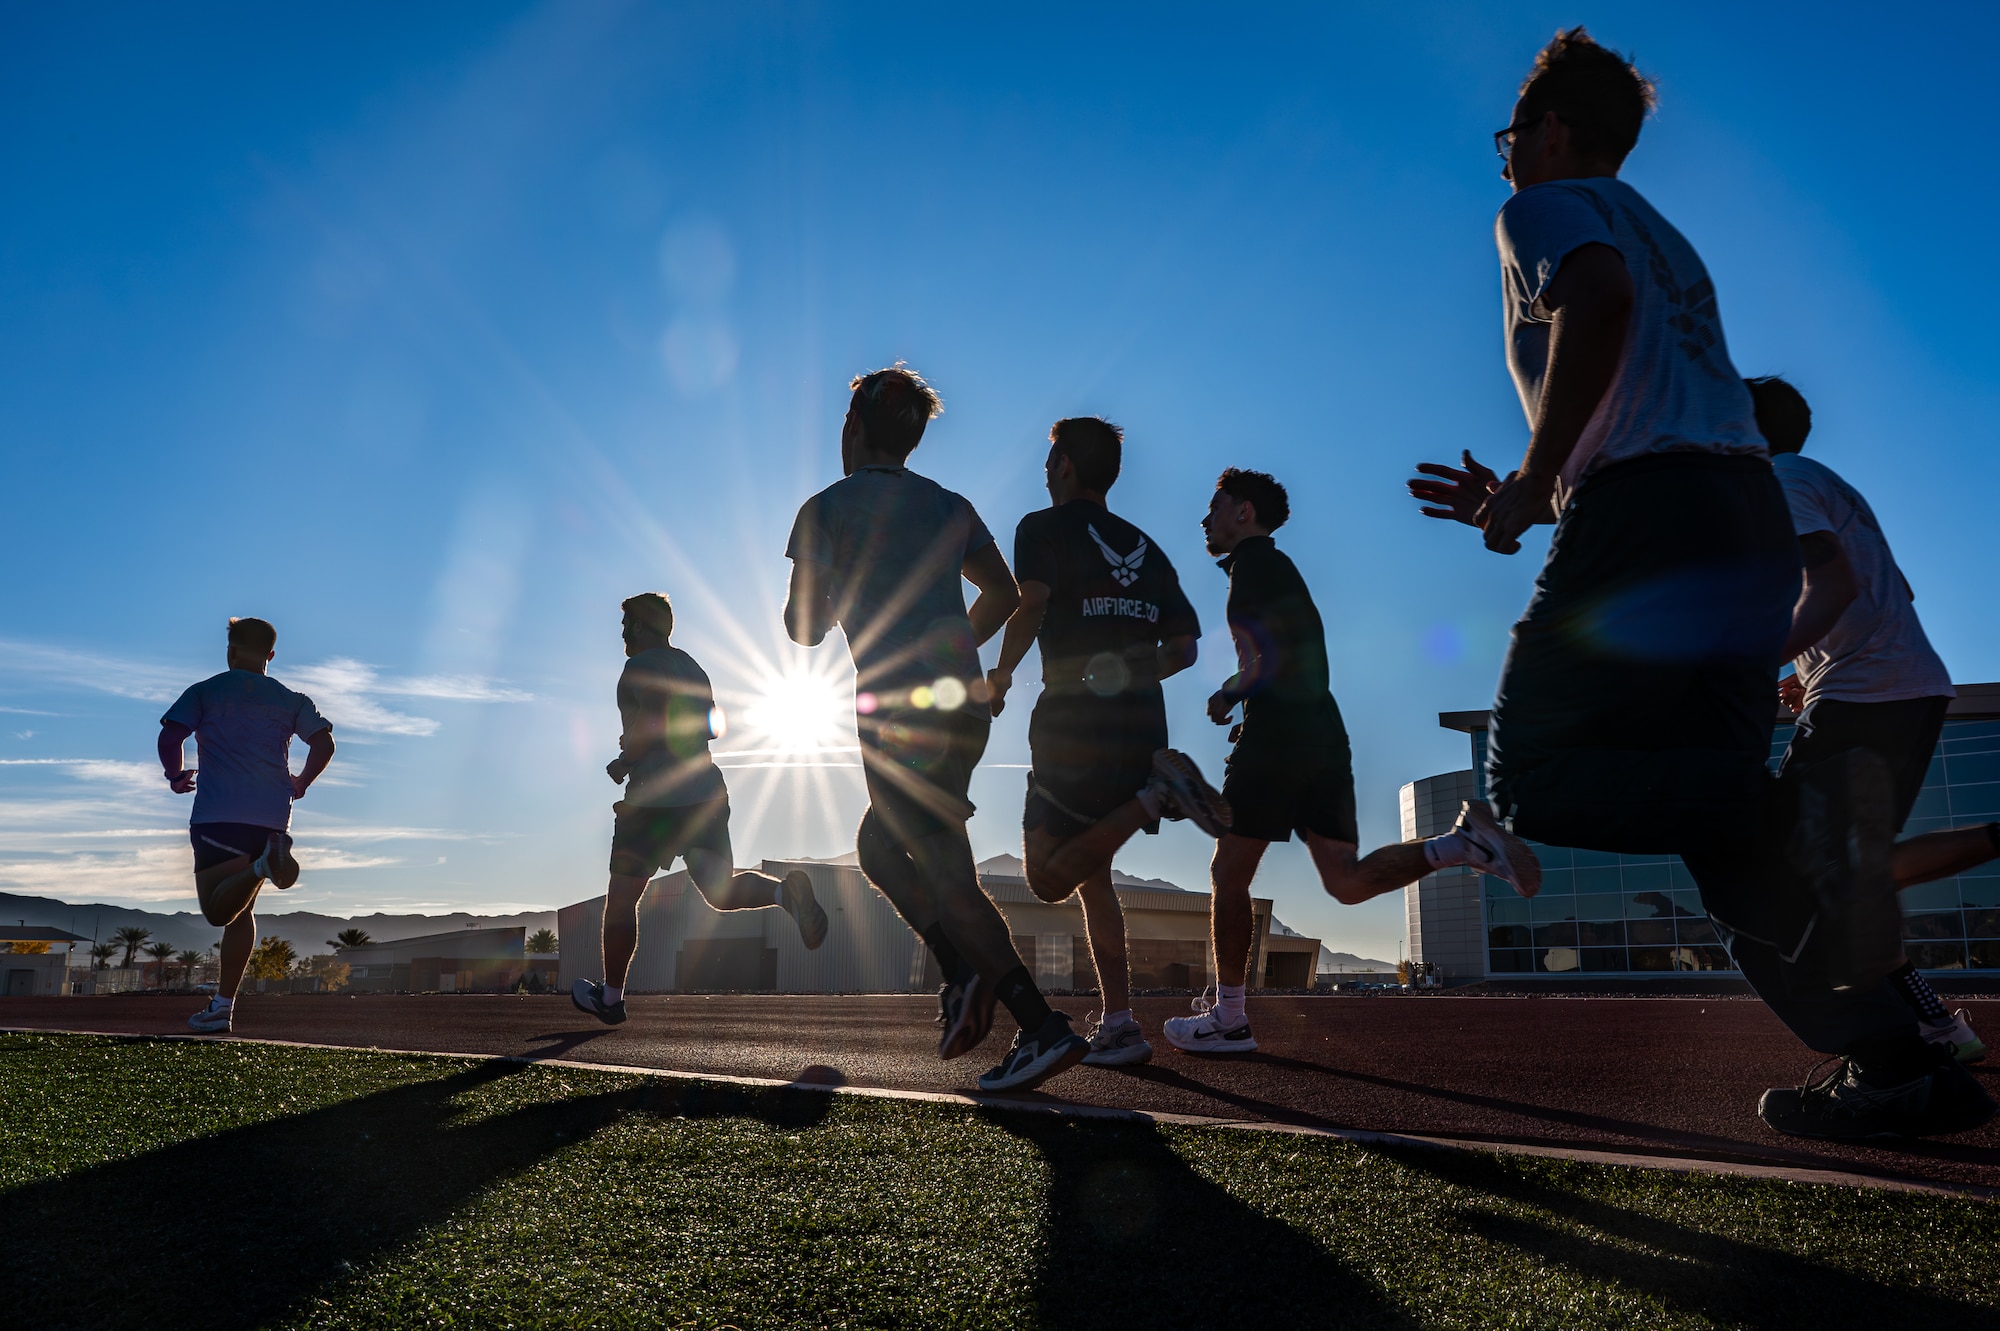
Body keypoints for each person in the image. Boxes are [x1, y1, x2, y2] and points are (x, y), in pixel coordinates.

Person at [1407, 28, 1991, 1139]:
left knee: (1526, 778)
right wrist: (1539, 491)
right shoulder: (1665, 235)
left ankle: (1781, 826)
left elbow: (1595, 300)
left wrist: (1535, 477)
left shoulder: (1542, 208)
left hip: (1654, 514)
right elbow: (1659, 407)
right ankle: (1898, 1062)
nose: (1504, 156)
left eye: (1509, 134)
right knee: (1727, 852)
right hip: (1735, 520)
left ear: (1551, 130)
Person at [785, 365, 1087, 1092]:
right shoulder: (950, 504)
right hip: (960, 704)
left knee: (947, 872)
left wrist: (833, 595)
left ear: (853, 427)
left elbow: (804, 630)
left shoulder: (825, 509)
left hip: (896, 713)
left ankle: (1037, 1023)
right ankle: (962, 973)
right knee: (879, 845)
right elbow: (1005, 594)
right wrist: (950, 650)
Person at [1161, 469, 1536, 1055]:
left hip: (1278, 739)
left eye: (1215, 506)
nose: (1204, 519)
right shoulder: (1268, 569)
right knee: (1346, 882)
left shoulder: (1257, 566)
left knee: (1228, 874)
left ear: (1244, 512)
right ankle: (1459, 845)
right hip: (1319, 736)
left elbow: (1282, 653)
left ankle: (1229, 1017)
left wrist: (1230, 692)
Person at [1751, 375, 1998, 1063]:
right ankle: (1934, 1024)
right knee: (1853, 873)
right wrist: (1808, 669)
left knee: (1798, 868)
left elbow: (1834, 586)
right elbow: (1896, 589)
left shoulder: (1780, 479)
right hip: (1898, 687)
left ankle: (1907, 1038)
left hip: (1866, 693)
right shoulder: (1822, 483)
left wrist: (1754, 664)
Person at [987, 417, 1231, 1067]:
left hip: (1072, 725)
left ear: (1064, 465)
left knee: (1047, 878)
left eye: (1049, 461)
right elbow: (1184, 648)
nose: (1045, 472)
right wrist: (1127, 673)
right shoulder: (1145, 546)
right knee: (1094, 876)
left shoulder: (1041, 528)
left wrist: (1001, 673)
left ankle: (1157, 795)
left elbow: (1032, 604)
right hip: (1143, 726)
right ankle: (1120, 1023)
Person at [571, 593, 830, 1025]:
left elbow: (657, 716)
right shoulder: (692, 667)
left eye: (626, 624)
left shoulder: (639, 666)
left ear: (641, 626)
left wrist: (628, 757)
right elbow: (712, 725)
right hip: (705, 794)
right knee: (719, 890)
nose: (622, 632)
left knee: (622, 902)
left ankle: (611, 999)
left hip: (654, 801)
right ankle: (785, 893)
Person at [158, 617, 336, 1034]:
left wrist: (176, 775)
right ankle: (222, 1007)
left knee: (218, 911)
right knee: (242, 911)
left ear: (231, 651)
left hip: (218, 814)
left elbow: (170, 738)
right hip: (272, 817)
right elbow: (324, 743)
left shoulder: (205, 691)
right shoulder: (292, 699)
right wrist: (302, 782)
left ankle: (261, 867)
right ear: (271, 655)